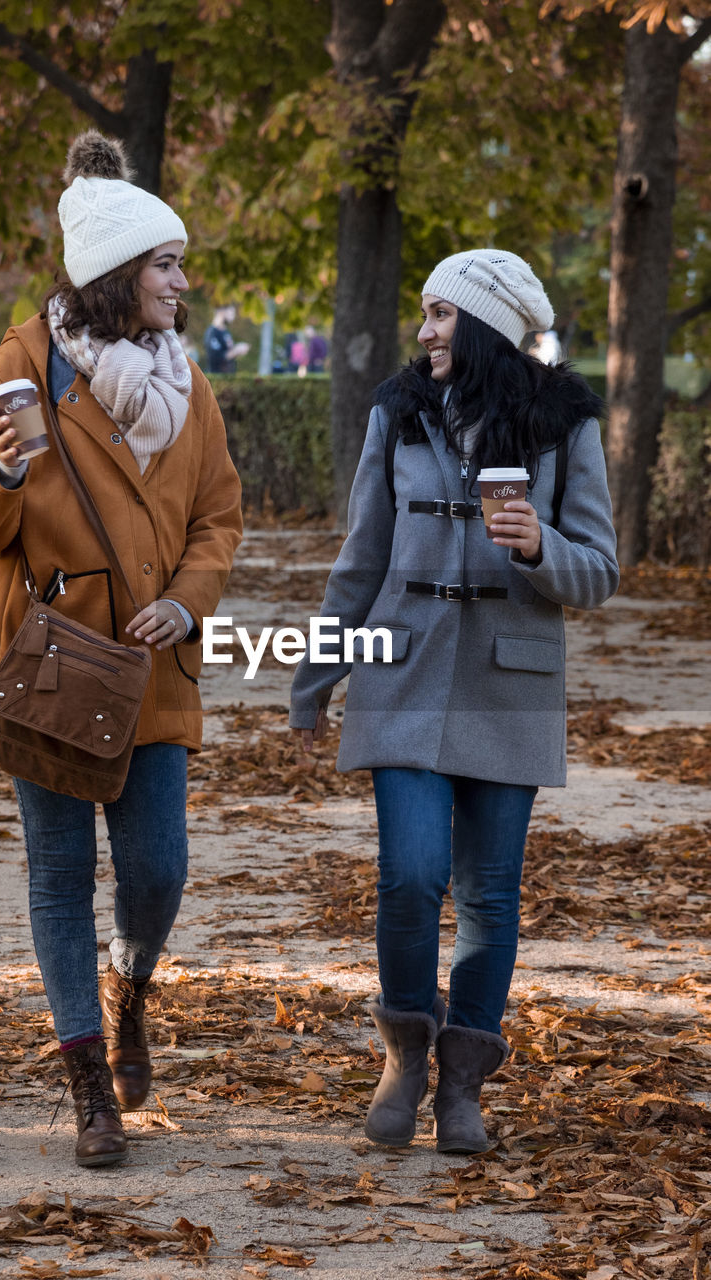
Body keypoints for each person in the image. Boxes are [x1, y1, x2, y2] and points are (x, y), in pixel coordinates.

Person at [0, 130, 242, 1169]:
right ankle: (87, 1084)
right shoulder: (19, 366)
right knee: (58, 871)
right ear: (117, 273)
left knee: (158, 867)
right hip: (47, 664)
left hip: (154, 661)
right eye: (165, 263)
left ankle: (131, 983)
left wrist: (188, 599)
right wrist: (15, 472)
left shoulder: (186, 385)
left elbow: (219, 516)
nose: (180, 280)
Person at [289, 249, 618, 1154]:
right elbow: (362, 557)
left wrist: (536, 544)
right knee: (410, 872)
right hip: (399, 672)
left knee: (490, 896)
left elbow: (600, 571)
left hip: (511, 684)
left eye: (440, 315)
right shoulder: (396, 413)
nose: (425, 332)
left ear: (483, 326)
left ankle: (462, 1085)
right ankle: (404, 1050)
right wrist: (316, 676)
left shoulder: (565, 425)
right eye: (424, 314)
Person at [204, 304, 249, 373]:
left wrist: (238, 351)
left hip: (229, 377)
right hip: (216, 377)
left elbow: (229, 353)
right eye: (231, 312)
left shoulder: (226, 332)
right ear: (222, 311)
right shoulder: (212, 332)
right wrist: (237, 350)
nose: (233, 316)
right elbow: (216, 357)